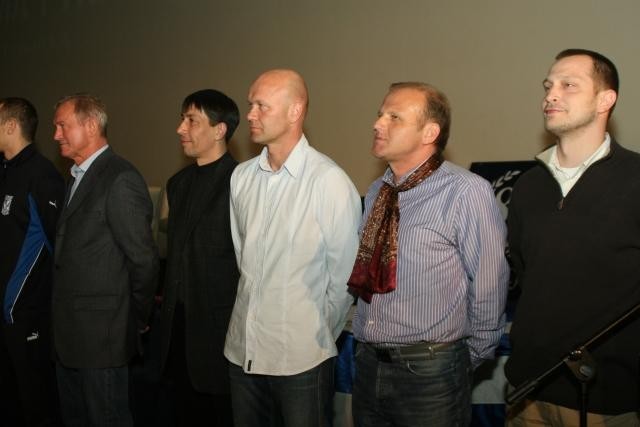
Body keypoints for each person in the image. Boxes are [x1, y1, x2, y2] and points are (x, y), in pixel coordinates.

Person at [349, 82, 509, 427]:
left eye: (394, 117)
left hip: (431, 372)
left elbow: (489, 281)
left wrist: (463, 358)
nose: (378, 124)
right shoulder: (378, 191)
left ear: (430, 133)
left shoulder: (466, 191)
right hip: (368, 364)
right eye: (380, 114)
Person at [505, 49, 640, 425]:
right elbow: (525, 272)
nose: (551, 94)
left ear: (605, 99)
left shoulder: (635, 179)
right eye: (548, 85)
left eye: (569, 85)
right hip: (526, 392)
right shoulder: (528, 186)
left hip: (605, 399)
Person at [224, 69, 361, 427]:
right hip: (242, 352)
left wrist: (312, 333)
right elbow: (243, 258)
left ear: (294, 111)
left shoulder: (328, 181)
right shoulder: (241, 177)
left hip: (301, 360)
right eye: (250, 104)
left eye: (261, 106)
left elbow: (344, 279)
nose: (250, 115)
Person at [51, 94, 159, 427]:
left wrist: (135, 318)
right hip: (70, 334)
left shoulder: (119, 178)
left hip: (103, 337)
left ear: (90, 126)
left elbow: (143, 260)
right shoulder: (76, 176)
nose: (56, 135)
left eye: (62, 126)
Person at [156, 89, 240, 426]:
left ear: (219, 130)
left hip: (219, 332)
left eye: (191, 120)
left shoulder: (241, 182)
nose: (181, 128)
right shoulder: (177, 184)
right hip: (177, 329)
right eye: (182, 119)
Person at [0, 97, 65, 427]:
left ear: (11, 126)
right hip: (4, 315)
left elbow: (57, 248)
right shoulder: (5, 171)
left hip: (27, 315)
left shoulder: (42, 175)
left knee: (35, 403)